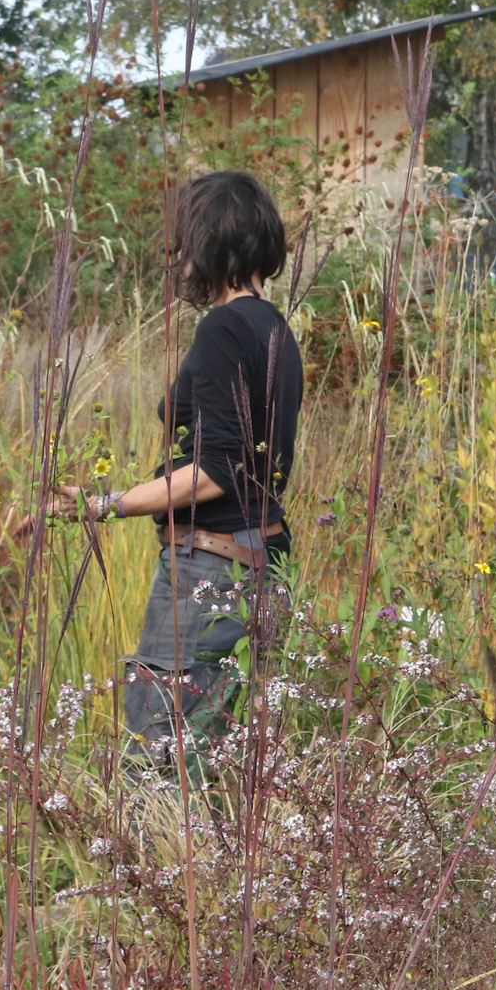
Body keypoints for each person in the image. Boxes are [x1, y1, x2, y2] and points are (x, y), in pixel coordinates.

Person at [34, 170, 302, 764]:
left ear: (206, 241)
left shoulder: (223, 327)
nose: (177, 255)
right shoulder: (273, 325)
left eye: (184, 238)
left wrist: (108, 506)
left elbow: (215, 472)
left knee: (163, 752)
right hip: (264, 557)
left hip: (209, 564)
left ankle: (158, 855)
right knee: (223, 751)